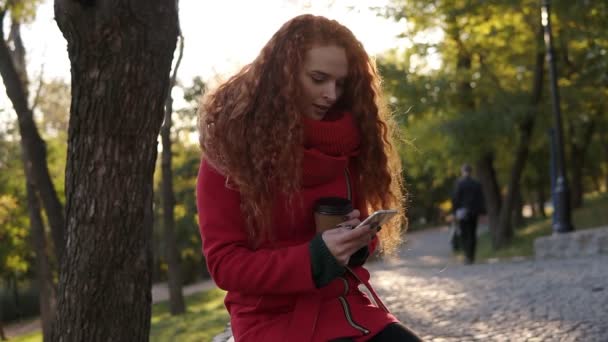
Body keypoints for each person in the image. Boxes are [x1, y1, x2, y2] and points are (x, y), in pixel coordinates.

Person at [196, 14, 421, 342]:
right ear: (282, 76)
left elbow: (361, 238)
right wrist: (316, 257)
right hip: (271, 321)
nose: (331, 94)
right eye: (318, 78)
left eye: (340, 83)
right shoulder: (228, 152)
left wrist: (355, 241)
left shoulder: (349, 143)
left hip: (345, 308)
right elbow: (225, 264)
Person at [451, 164, 485, 264]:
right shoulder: (476, 183)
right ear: (471, 171)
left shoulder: (459, 183)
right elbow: (480, 199)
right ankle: (472, 255)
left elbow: (456, 199)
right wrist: (482, 212)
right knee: (473, 233)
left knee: (464, 233)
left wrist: (454, 212)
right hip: (474, 212)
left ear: (462, 171)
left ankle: (467, 255)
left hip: (462, 212)